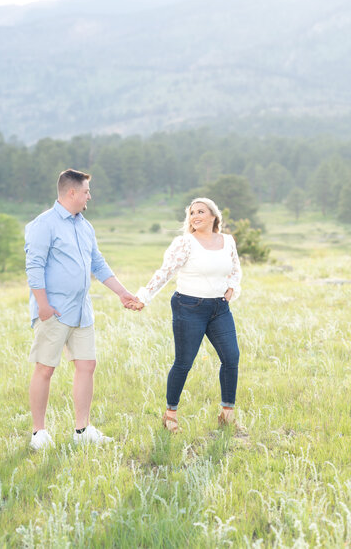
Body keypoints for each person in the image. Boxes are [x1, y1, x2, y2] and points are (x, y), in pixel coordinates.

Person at [25, 168, 139, 450]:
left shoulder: (85, 226)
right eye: (87, 191)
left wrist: (123, 293)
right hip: (54, 311)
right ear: (72, 192)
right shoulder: (44, 224)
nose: (90, 196)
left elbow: (97, 264)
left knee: (87, 365)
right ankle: (39, 434)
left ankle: (82, 430)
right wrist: (43, 306)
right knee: (45, 369)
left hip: (82, 311)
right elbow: (34, 266)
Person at [133, 198, 242, 433]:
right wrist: (144, 296)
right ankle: (170, 414)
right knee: (184, 362)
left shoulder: (228, 241)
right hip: (188, 306)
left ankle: (227, 413)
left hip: (219, 308)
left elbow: (235, 269)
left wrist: (232, 286)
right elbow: (166, 272)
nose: (195, 216)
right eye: (192, 213)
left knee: (231, 358)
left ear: (214, 216)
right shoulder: (185, 243)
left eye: (201, 211)